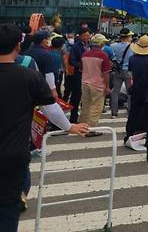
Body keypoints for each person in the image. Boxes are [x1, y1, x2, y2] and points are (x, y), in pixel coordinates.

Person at [0, 24, 89, 230]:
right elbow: (51, 110)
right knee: (7, 210)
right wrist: (69, 127)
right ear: (17, 45)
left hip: (13, 155)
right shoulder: (29, 76)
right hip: (13, 154)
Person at [124, 35, 148, 146]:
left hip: (136, 89)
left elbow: (130, 75)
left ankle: (129, 134)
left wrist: (130, 87)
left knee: (134, 113)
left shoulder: (132, 59)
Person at [78, 34, 112, 135]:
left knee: (86, 106)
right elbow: (106, 74)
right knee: (96, 108)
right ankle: (90, 129)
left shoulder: (85, 54)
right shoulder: (103, 55)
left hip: (85, 83)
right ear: (101, 44)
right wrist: (107, 86)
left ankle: (82, 127)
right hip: (97, 85)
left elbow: (81, 69)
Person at [67, 27, 91, 123]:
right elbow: (72, 60)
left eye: (88, 35)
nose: (87, 37)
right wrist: (81, 65)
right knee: (76, 96)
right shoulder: (76, 46)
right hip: (79, 74)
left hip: (89, 74)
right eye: (85, 35)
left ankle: (84, 118)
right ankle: (73, 118)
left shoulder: (90, 45)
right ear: (80, 36)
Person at [109, 28, 134, 118]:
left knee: (115, 91)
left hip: (117, 71)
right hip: (128, 71)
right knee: (130, 91)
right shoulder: (132, 47)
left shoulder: (113, 46)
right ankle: (130, 111)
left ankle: (114, 112)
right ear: (128, 36)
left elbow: (112, 58)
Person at [24, 30, 57, 96]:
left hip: (27, 85)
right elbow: (49, 74)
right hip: (40, 86)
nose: (49, 40)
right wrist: (53, 91)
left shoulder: (26, 52)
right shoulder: (45, 55)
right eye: (48, 38)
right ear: (43, 40)